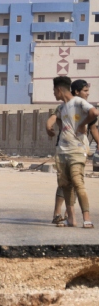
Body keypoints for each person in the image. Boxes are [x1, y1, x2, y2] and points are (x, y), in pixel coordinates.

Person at [47, 76, 99, 228]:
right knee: (65, 185)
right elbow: (53, 119)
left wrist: (82, 124)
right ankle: (70, 218)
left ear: (58, 89)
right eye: (85, 90)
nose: (53, 94)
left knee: (77, 182)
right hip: (62, 150)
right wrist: (48, 127)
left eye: (54, 91)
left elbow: (94, 113)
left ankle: (87, 219)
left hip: (77, 150)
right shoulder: (61, 107)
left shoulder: (78, 102)